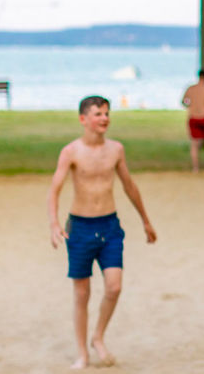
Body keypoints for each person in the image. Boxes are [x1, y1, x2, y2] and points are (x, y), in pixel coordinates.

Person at [47, 96, 158, 369]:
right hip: (80, 228)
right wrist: (53, 224)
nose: (104, 118)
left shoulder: (116, 150)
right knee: (82, 293)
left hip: (109, 226)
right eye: (98, 113)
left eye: (107, 113)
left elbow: (129, 186)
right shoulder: (71, 151)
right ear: (83, 119)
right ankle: (82, 353)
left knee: (114, 286)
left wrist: (145, 220)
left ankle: (98, 336)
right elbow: (55, 189)